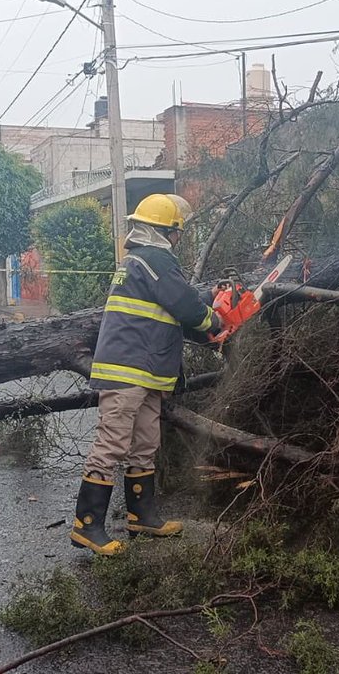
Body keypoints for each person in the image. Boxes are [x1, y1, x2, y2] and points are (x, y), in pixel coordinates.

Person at [70, 193, 222, 556]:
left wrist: (207, 299)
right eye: (176, 233)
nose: (178, 240)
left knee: (144, 444)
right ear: (165, 232)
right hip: (129, 369)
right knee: (112, 444)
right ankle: (87, 525)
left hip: (147, 370)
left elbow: (172, 302)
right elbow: (185, 305)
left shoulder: (142, 263)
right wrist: (214, 320)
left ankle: (143, 516)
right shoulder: (153, 259)